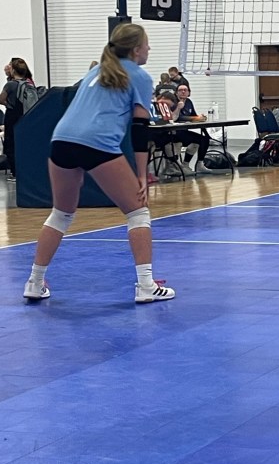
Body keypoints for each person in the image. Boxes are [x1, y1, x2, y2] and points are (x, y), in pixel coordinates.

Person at [22, 23, 175, 304]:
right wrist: (142, 175)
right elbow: (139, 128)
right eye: (147, 44)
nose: (150, 48)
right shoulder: (140, 76)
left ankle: (34, 281)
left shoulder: (96, 71)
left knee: (61, 214)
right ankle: (146, 285)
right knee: (138, 212)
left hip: (62, 140)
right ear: (136, 49)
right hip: (97, 142)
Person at [0, 57, 36, 180]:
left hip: (12, 116)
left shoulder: (10, 85)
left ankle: (15, 173)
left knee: (11, 145)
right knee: (23, 144)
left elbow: (0, 100)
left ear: (13, 70)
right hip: (26, 117)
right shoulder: (29, 83)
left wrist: (9, 104)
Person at [172, 84, 211, 174]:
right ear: (176, 93)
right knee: (199, 140)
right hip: (175, 132)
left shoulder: (189, 102)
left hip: (185, 131)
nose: (183, 92)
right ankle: (181, 166)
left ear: (189, 93)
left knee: (204, 140)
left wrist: (200, 117)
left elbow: (193, 115)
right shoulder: (174, 102)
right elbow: (178, 118)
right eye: (180, 90)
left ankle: (196, 164)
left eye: (185, 90)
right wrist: (195, 118)